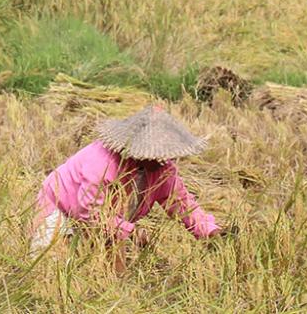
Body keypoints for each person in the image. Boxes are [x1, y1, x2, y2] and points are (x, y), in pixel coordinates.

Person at [31, 106, 223, 251]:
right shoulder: (102, 163)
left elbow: (182, 204)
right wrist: (131, 232)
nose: (164, 160)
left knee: (113, 269)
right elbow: (90, 212)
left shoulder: (162, 170)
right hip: (59, 205)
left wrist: (210, 230)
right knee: (51, 264)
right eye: (156, 155)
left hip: (110, 219)